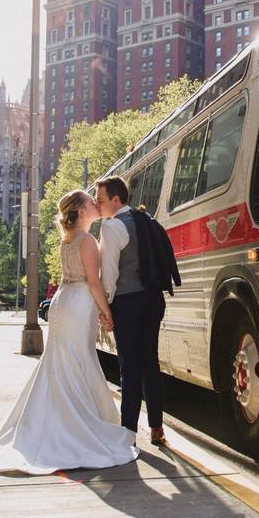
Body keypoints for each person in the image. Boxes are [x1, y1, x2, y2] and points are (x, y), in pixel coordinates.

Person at [0, 190, 138, 474]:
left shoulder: (67, 239)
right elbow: (93, 282)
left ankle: (51, 423)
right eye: (90, 203)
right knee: (79, 360)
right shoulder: (88, 240)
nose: (96, 204)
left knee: (60, 362)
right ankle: (76, 426)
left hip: (62, 302)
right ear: (80, 211)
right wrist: (107, 312)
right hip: (79, 303)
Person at [95, 176, 168, 446]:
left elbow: (110, 274)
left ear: (116, 199)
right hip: (153, 299)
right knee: (150, 361)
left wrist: (106, 307)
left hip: (128, 301)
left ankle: (128, 432)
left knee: (130, 366)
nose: (98, 205)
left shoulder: (112, 227)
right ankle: (157, 427)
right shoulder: (146, 220)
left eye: (101, 200)